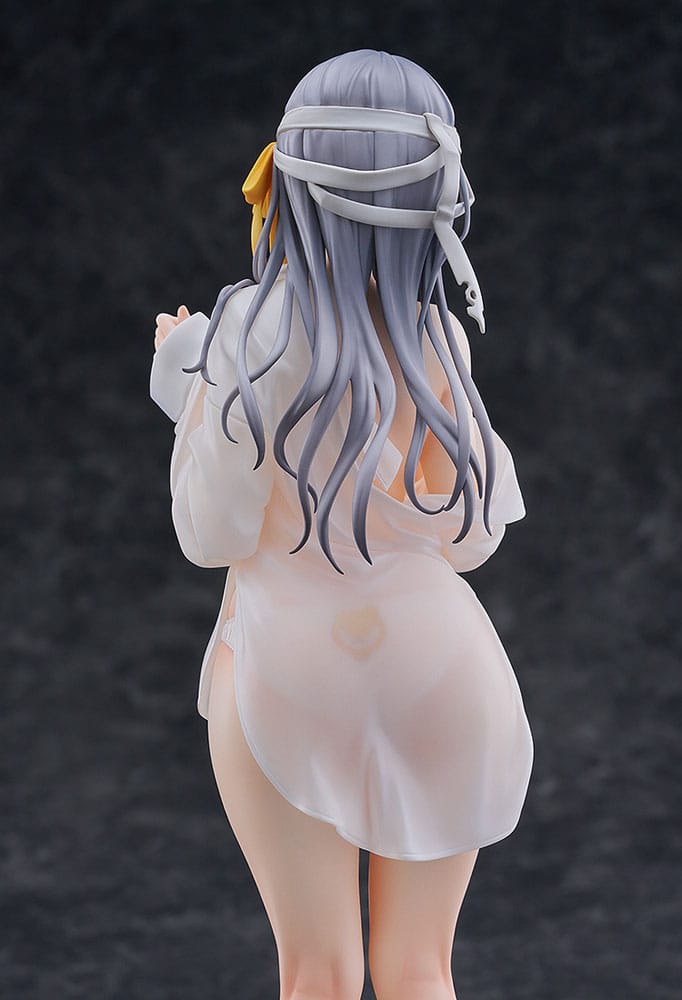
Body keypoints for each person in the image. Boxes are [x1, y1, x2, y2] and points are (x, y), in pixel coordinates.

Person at [150, 49, 533, 1000]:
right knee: (420, 970)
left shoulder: (249, 335)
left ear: (286, 183)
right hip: (443, 668)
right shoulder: (439, 340)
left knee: (318, 973)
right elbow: (471, 539)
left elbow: (211, 533)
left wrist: (192, 386)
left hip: (289, 670)